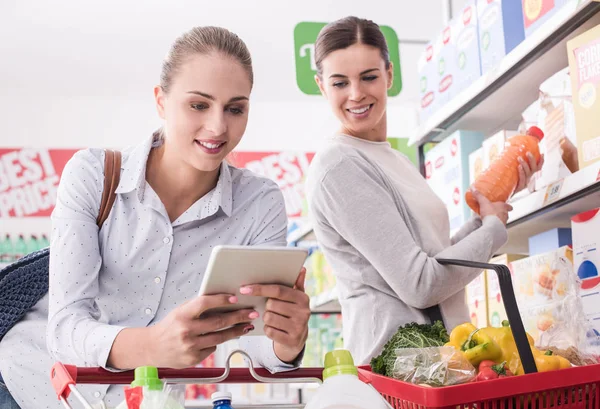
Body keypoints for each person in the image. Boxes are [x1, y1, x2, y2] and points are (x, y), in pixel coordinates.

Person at [0, 26, 309, 409]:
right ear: (161, 101)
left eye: (235, 108)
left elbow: (252, 338)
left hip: (144, 401)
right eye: (199, 105)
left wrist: (286, 339)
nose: (218, 127)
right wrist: (153, 346)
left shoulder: (259, 204)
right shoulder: (93, 175)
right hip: (26, 387)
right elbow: (64, 330)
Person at [305, 16, 542, 366]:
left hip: (438, 364)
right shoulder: (339, 165)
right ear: (322, 86)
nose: (355, 94)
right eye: (340, 83)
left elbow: (436, 258)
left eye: (368, 77)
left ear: (389, 74)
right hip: (399, 373)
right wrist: (492, 231)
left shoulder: (393, 159)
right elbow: (421, 285)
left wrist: (487, 215)